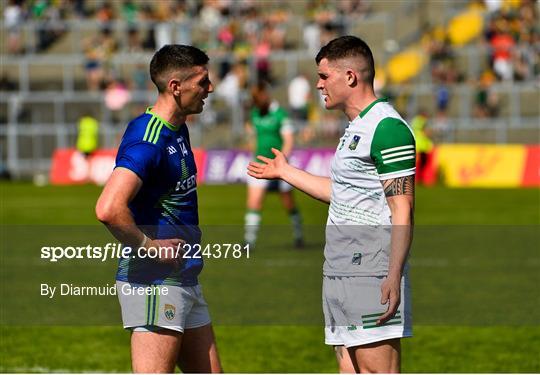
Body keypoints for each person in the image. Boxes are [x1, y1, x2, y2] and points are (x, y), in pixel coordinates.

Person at [248, 36, 415, 373]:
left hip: (371, 271)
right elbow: (341, 192)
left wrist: (393, 274)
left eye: (324, 76)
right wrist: (286, 171)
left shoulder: (387, 128)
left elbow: (403, 208)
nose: (318, 84)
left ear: (350, 77)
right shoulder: (356, 128)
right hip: (339, 271)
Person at [95, 44, 222, 373]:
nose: (210, 88)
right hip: (155, 280)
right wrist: (148, 247)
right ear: (176, 87)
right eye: (203, 81)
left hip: (185, 277)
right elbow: (108, 207)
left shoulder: (177, 128)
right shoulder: (149, 137)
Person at [244, 81, 304, 249]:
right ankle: (250, 241)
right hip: (259, 164)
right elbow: (253, 135)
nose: (256, 103)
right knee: (254, 202)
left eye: (257, 99)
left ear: (265, 96)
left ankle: (298, 235)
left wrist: (282, 162)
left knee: (288, 203)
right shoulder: (255, 113)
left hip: (279, 166)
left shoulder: (280, 115)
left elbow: (288, 140)